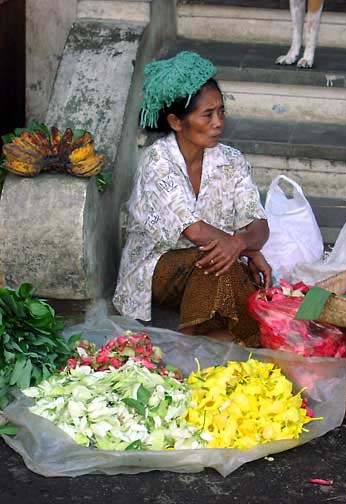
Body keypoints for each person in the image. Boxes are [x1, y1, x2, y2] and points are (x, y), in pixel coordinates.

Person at [113, 51, 271, 347]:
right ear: (176, 121)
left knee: (217, 265)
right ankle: (223, 340)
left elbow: (259, 225)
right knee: (212, 261)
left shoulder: (231, 160)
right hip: (157, 269)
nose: (218, 122)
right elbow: (194, 231)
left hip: (214, 263)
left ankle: (192, 345)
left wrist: (240, 244)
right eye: (207, 114)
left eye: (221, 111)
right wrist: (244, 248)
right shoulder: (158, 162)